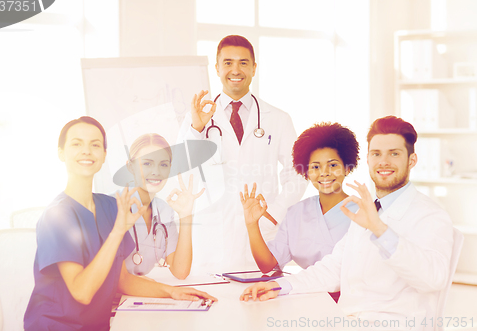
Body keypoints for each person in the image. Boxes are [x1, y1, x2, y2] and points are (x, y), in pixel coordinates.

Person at [240, 116, 454, 329]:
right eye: (376, 154)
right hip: (345, 320)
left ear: (412, 160)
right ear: (368, 160)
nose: (384, 161)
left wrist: (379, 230)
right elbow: (333, 269)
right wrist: (279, 285)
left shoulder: (430, 215)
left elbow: (433, 279)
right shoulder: (368, 212)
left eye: (394, 154)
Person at [24, 117, 216, 331]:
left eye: (95, 144)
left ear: (104, 155)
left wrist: (172, 292)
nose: (86, 151)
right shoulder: (57, 216)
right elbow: (82, 292)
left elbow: (123, 280)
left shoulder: (109, 207)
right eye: (77, 143)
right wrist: (117, 231)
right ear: (61, 152)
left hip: (100, 325)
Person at [177, 35, 307, 270]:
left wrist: (274, 214)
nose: (235, 70)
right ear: (217, 68)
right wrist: (197, 129)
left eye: (243, 63)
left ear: (254, 68)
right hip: (210, 240)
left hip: (259, 236)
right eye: (227, 62)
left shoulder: (277, 119)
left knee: (259, 302)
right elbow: (182, 171)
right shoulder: (195, 118)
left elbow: (298, 173)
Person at [240, 122, 359, 302]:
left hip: (350, 302)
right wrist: (252, 225)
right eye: (315, 167)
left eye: (333, 165)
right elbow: (267, 265)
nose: (324, 173)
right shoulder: (296, 213)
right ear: (306, 172)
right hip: (305, 296)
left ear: (347, 167)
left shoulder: (364, 213)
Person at [124, 133, 203, 279]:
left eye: (163, 165)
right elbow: (119, 280)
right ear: (131, 167)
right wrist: (171, 292)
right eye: (147, 163)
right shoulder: (111, 206)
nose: (156, 171)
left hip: (140, 297)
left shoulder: (164, 211)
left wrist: (186, 216)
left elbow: (180, 271)